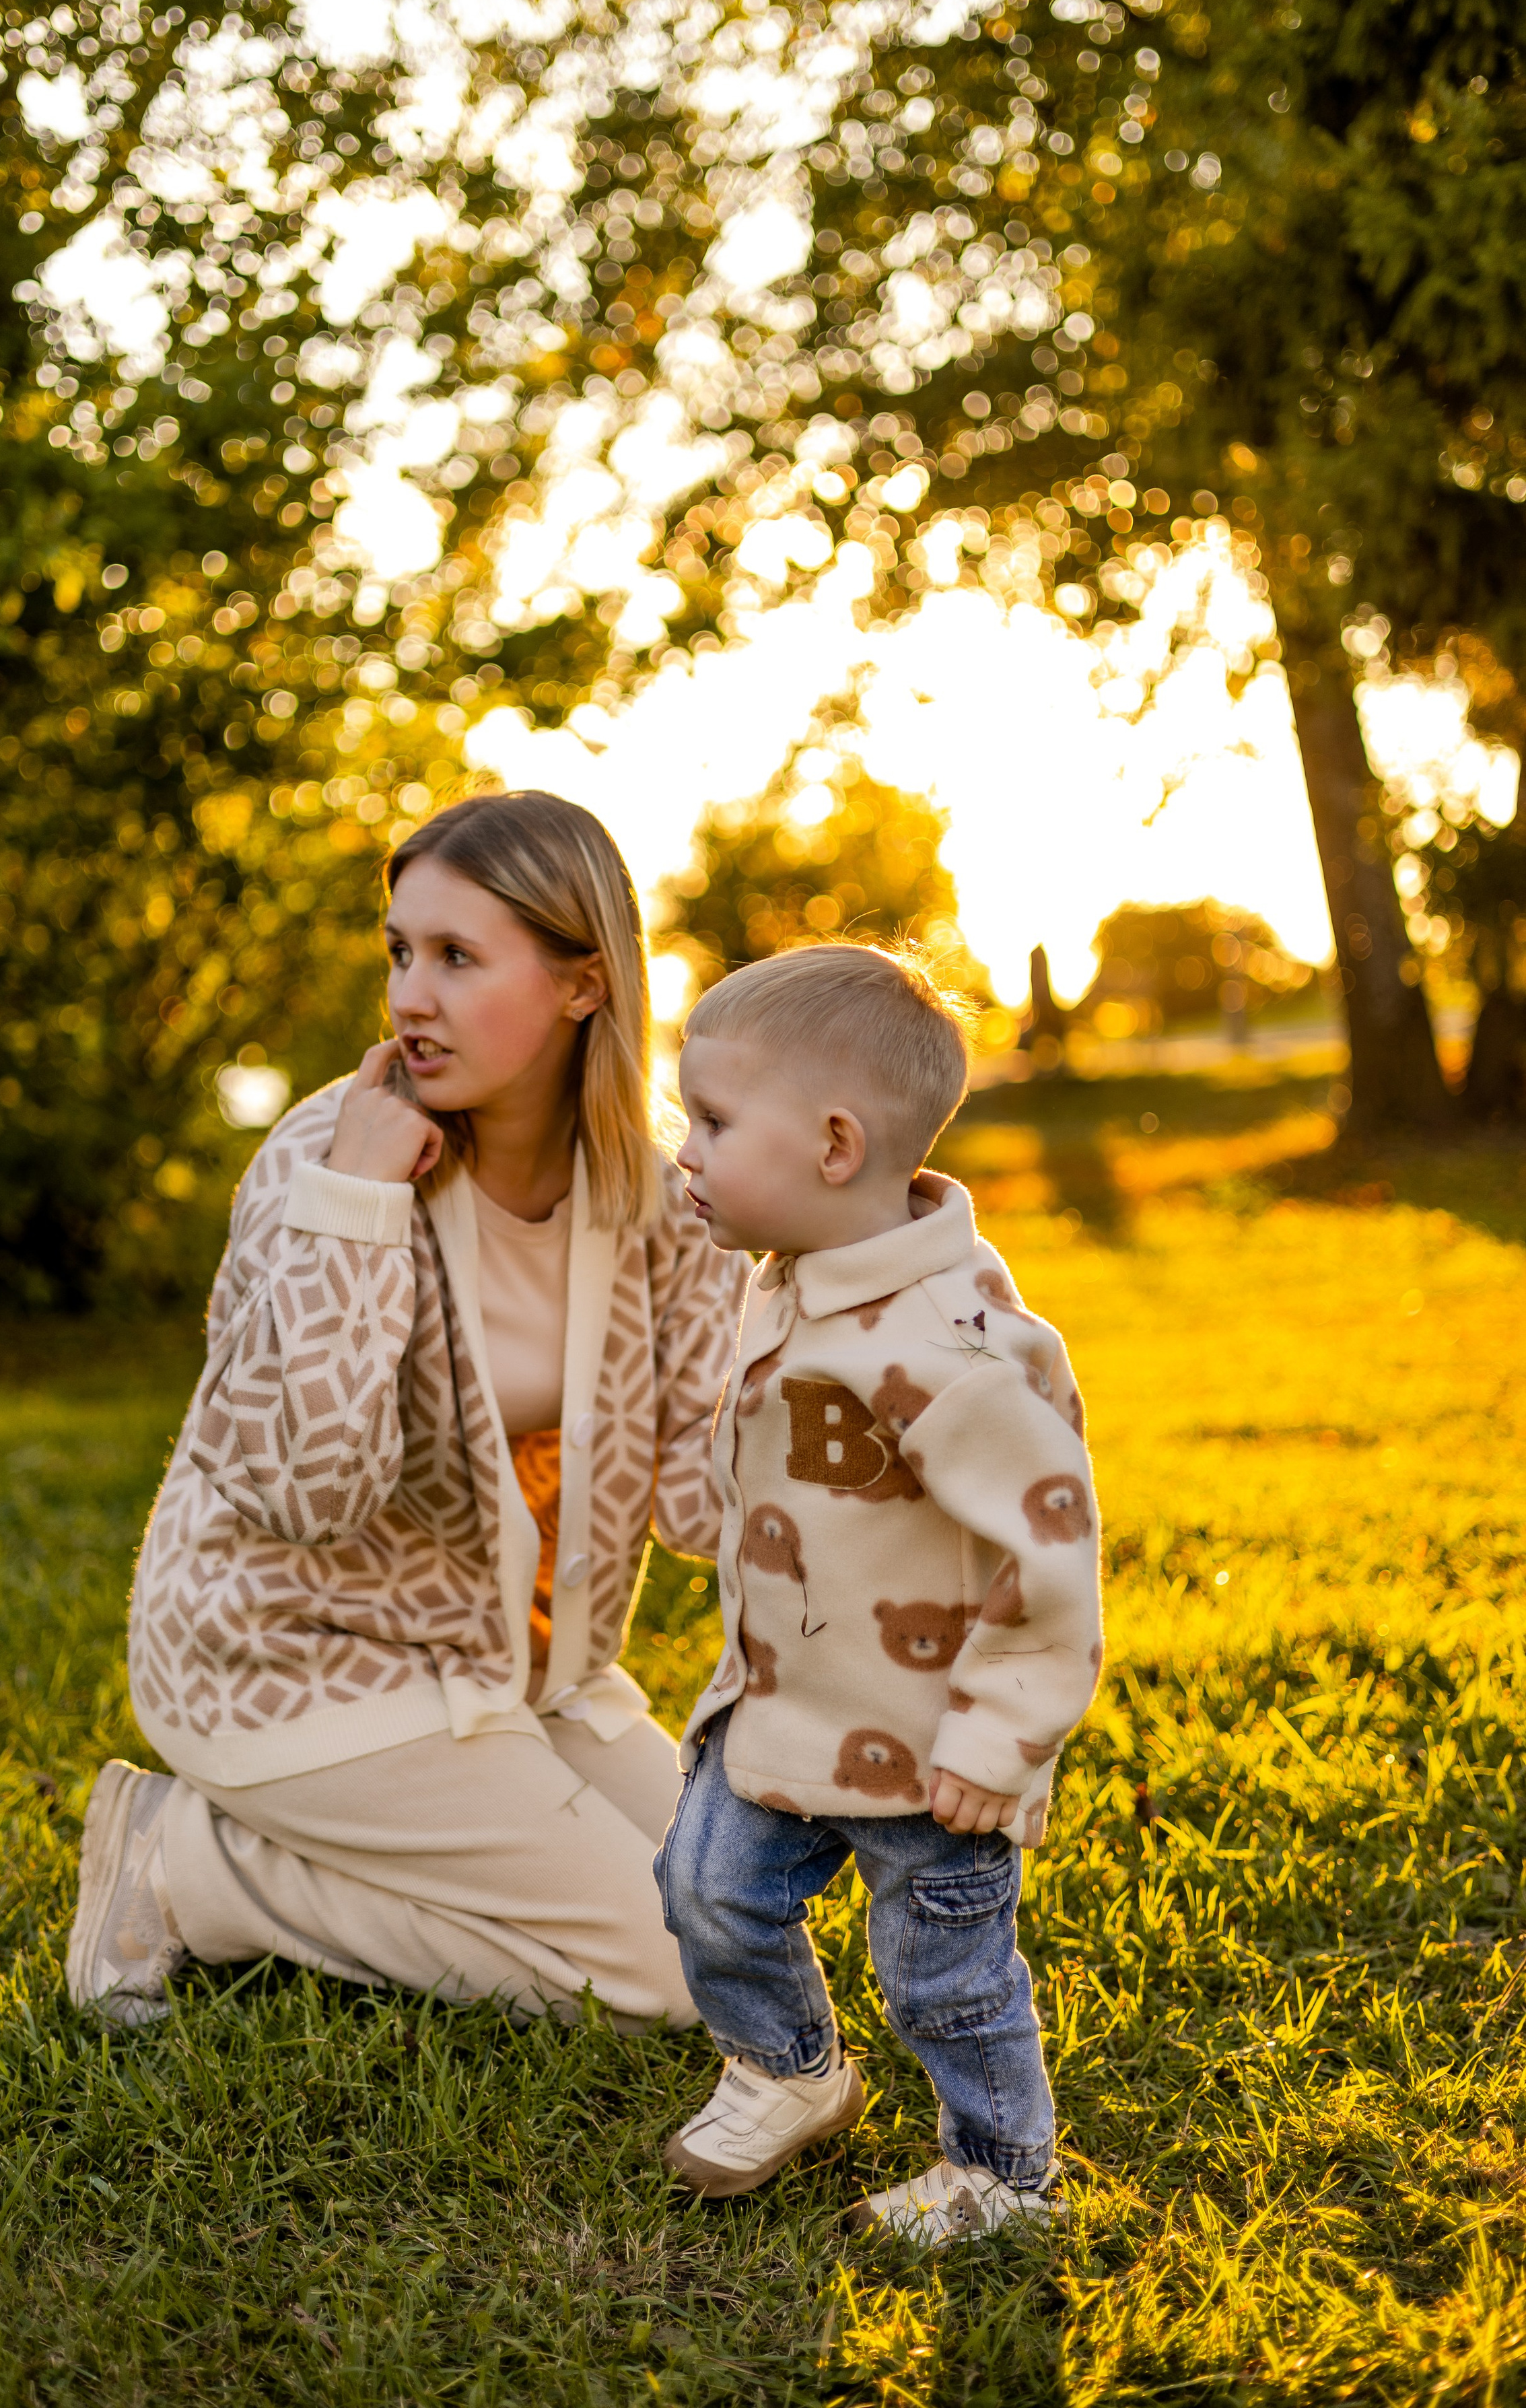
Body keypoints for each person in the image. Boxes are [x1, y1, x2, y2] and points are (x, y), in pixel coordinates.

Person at [67, 790, 749, 2032]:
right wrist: (360, 1203)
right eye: (399, 952)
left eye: (454, 957)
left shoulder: (661, 1197)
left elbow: (703, 1507)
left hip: (519, 1668)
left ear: (583, 984)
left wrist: (833, 1301)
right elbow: (304, 1491)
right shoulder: (325, 1154)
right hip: (286, 1653)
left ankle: (396, 1835)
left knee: (737, 1914)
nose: (409, 998)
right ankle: (190, 1867)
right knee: (662, 1977)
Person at [652, 944, 1103, 2250]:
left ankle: (1004, 2175)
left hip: (925, 1743)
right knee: (705, 1885)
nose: (686, 1149)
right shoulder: (795, 1273)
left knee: (941, 1979)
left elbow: (1049, 1539)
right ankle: (788, 2067)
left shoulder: (941, 1349)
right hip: (784, 1704)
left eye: (714, 1123)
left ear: (835, 1144)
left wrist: (999, 1736)